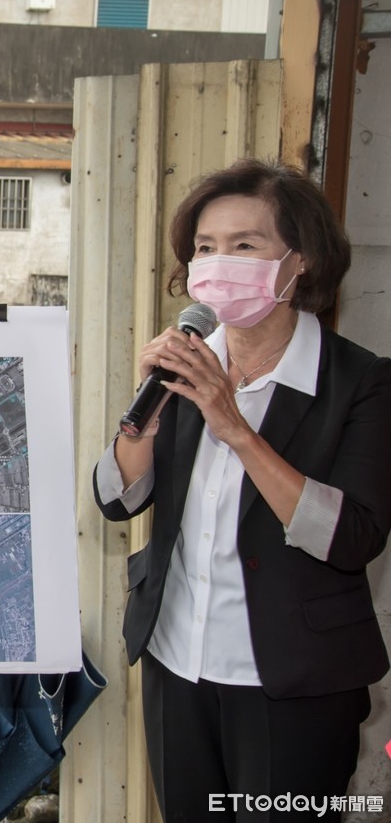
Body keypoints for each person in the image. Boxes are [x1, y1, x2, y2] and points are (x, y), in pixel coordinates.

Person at [93, 158, 391, 820]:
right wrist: (146, 414)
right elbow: (117, 498)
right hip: (176, 663)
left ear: (301, 261)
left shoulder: (361, 383)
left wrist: (235, 428)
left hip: (292, 684)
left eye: (244, 245)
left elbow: (353, 538)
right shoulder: (189, 360)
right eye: (205, 247)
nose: (217, 262)